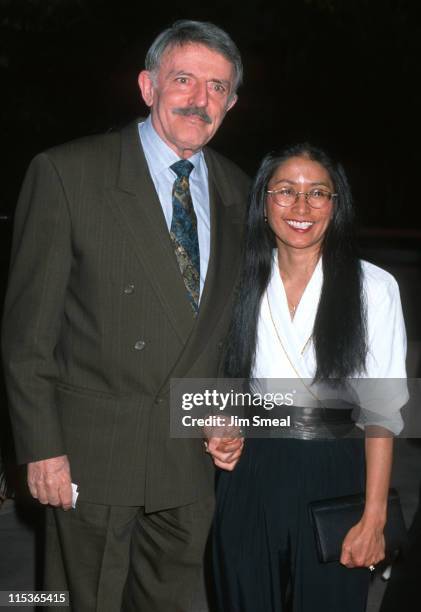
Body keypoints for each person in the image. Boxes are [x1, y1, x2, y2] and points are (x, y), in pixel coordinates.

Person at [1, 20, 247, 612]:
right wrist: (40, 448)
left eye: (217, 88)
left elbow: (231, 333)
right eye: (184, 79)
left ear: (232, 103)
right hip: (90, 460)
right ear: (147, 86)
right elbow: (27, 335)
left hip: (186, 465)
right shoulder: (69, 173)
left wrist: (228, 414)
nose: (199, 99)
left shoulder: (240, 192)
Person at [211, 144, 408, 612]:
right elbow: (210, 370)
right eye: (286, 191)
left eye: (318, 193)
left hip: (337, 467)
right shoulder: (234, 281)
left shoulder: (374, 289)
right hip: (251, 469)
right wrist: (216, 420)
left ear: (336, 207)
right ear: (263, 203)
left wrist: (374, 516)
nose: (301, 206)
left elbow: (382, 413)